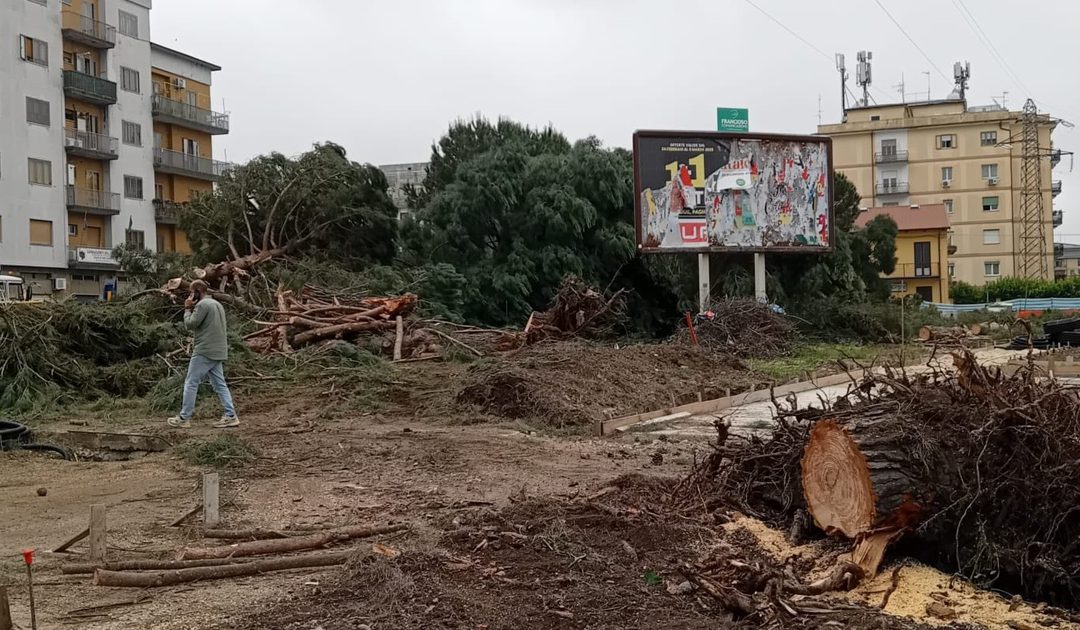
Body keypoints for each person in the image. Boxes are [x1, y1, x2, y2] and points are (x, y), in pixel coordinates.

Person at [167, 280, 239, 428]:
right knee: (220, 384)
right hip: (218, 350)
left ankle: (184, 417)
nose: (190, 295)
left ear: (198, 291)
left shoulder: (202, 305)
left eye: (192, 292)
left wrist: (187, 308)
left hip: (204, 350)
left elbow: (190, 324)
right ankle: (230, 415)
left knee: (191, 382)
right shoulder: (217, 304)